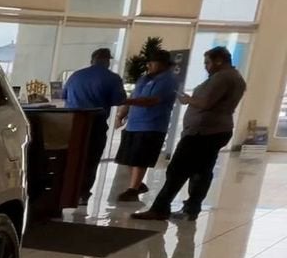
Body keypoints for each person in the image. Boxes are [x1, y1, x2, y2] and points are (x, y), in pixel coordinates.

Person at [132, 46, 247, 221]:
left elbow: (206, 103)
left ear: (219, 61)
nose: (205, 66)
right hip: (217, 130)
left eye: (207, 62)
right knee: (202, 171)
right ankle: (191, 209)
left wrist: (188, 100)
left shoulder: (222, 78)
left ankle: (160, 208)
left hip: (203, 132)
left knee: (177, 169)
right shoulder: (236, 77)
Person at [113, 49, 179, 202]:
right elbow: (134, 96)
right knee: (128, 158)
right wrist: (121, 114)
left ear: (162, 64)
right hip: (134, 125)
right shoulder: (145, 78)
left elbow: (152, 101)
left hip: (151, 125)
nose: (148, 65)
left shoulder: (168, 80)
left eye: (152, 62)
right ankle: (138, 185)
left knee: (140, 158)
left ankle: (133, 189)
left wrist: (125, 101)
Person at [62, 48, 125, 203]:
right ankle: (83, 193)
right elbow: (119, 100)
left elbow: (63, 95)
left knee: (71, 158)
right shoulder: (112, 78)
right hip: (95, 123)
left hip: (73, 123)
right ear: (108, 62)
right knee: (91, 159)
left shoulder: (76, 76)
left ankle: (66, 190)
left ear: (92, 60)